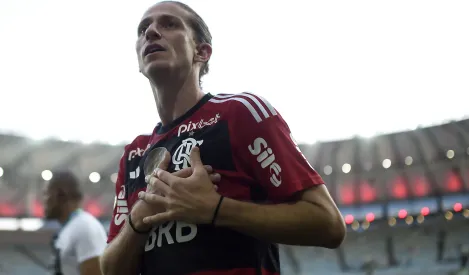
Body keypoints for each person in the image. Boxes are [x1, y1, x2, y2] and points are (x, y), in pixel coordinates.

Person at [101, 1, 346, 274]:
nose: (151, 32)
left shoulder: (240, 113)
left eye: (169, 24)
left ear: (201, 52)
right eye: (143, 29)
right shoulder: (134, 155)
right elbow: (110, 269)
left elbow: (329, 224)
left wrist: (215, 209)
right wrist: (139, 217)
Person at [43, 170, 107, 275]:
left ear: (61, 195)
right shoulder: (72, 227)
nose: (45, 201)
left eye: (47, 194)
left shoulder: (84, 226)